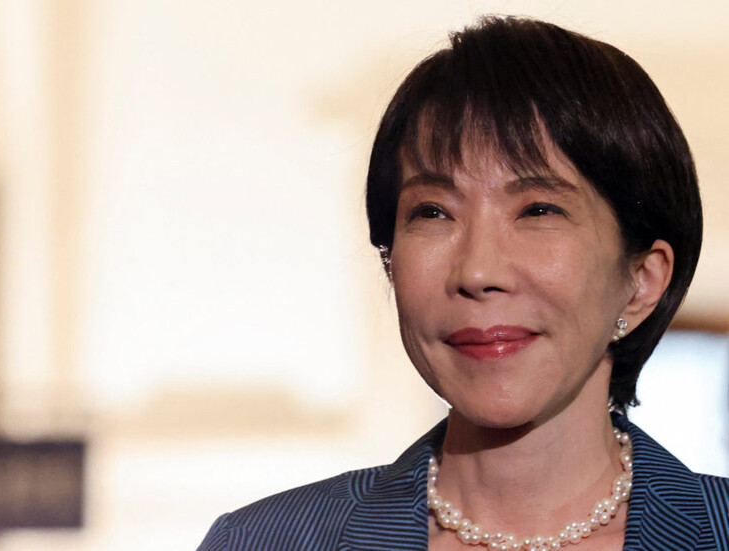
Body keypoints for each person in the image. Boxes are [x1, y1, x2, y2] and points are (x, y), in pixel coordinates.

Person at [198, 16, 729, 551]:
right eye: (433, 212)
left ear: (642, 281)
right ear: (390, 261)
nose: (477, 272)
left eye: (538, 210)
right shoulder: (261, 541)